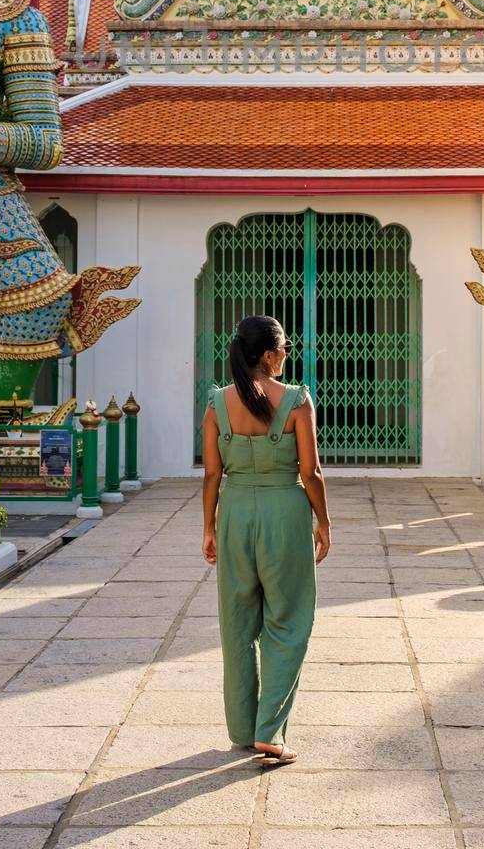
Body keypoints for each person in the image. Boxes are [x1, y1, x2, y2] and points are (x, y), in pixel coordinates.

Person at [202, 313, 331, 767]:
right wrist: (324, 521)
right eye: (285, 348)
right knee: (288, 620)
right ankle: (270, 733)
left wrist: (209, 526)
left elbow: (212, 473)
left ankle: (242, 728)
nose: (287, 355)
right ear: (268, 355)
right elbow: (310, 472)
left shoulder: (217, 403)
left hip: (236, 513)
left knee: (237, 624)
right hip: (284, 516)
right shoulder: (297, 401)